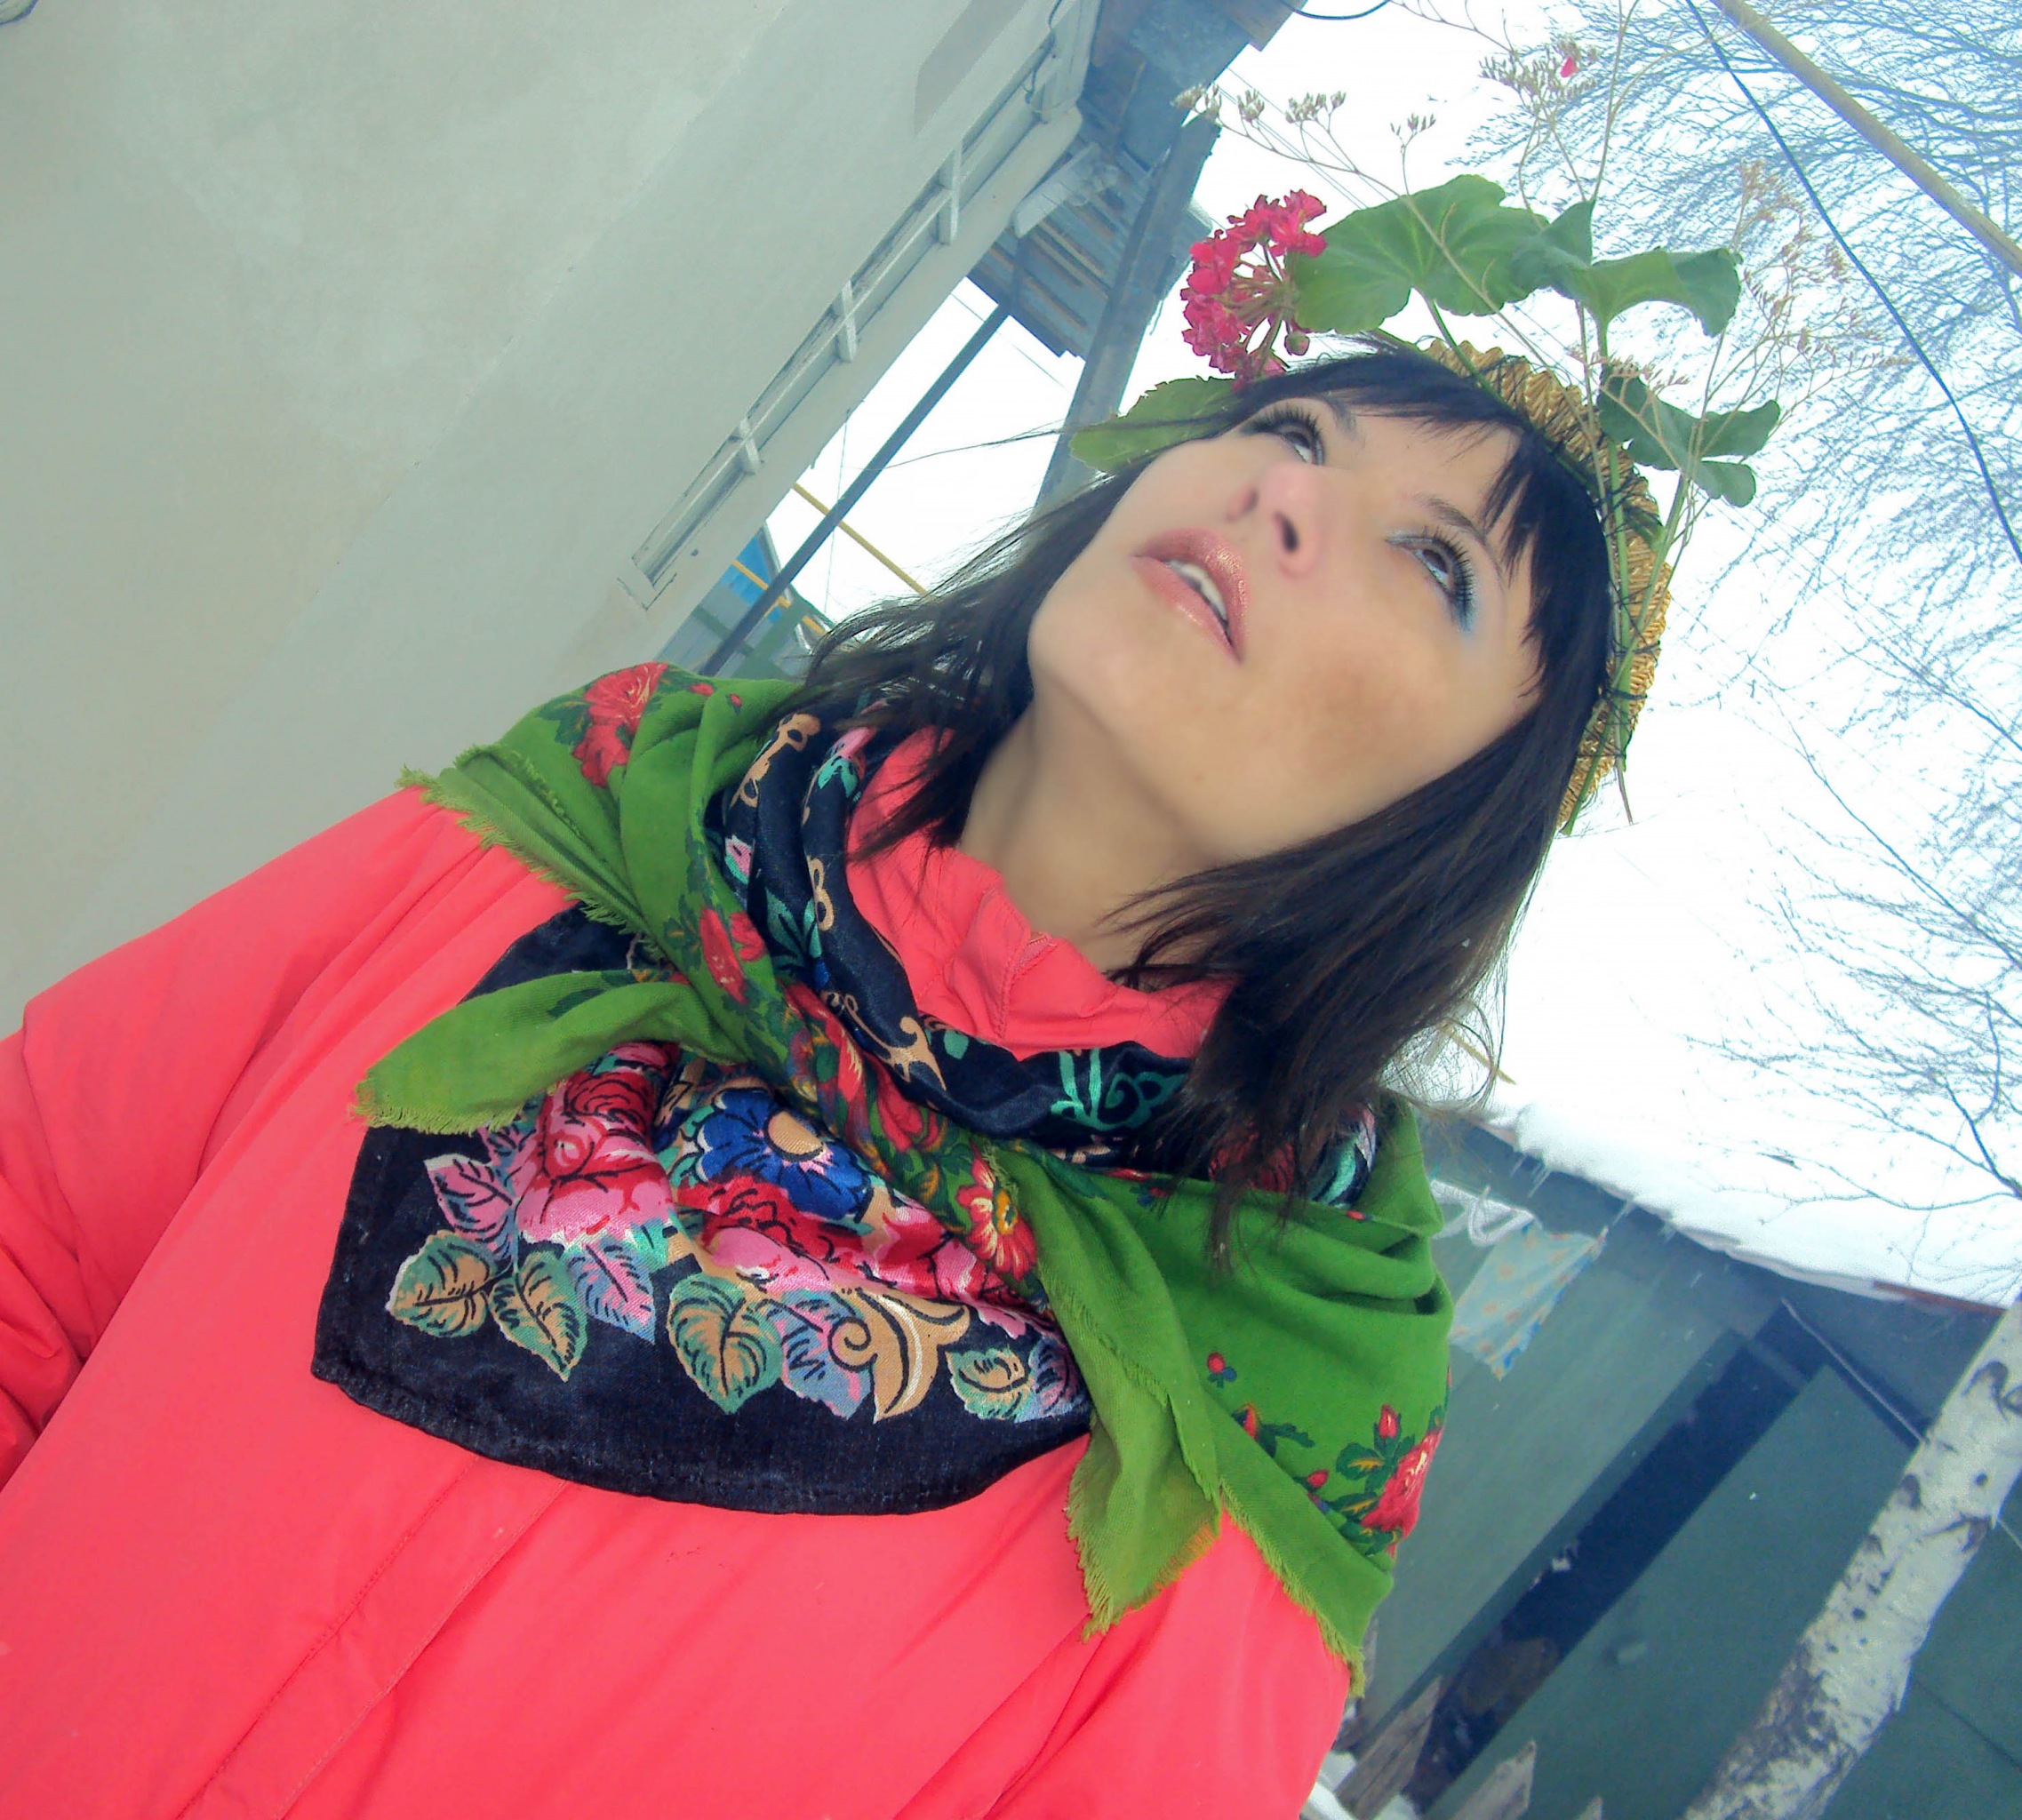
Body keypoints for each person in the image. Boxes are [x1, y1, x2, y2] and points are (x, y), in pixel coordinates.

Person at [0, 339, 1626, 1818]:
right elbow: (31, 1239)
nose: (1285, 493)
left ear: (1469, 826)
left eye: (1436, 562)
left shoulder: (1248, 1456)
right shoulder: (578, 832)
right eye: (1293, 430)